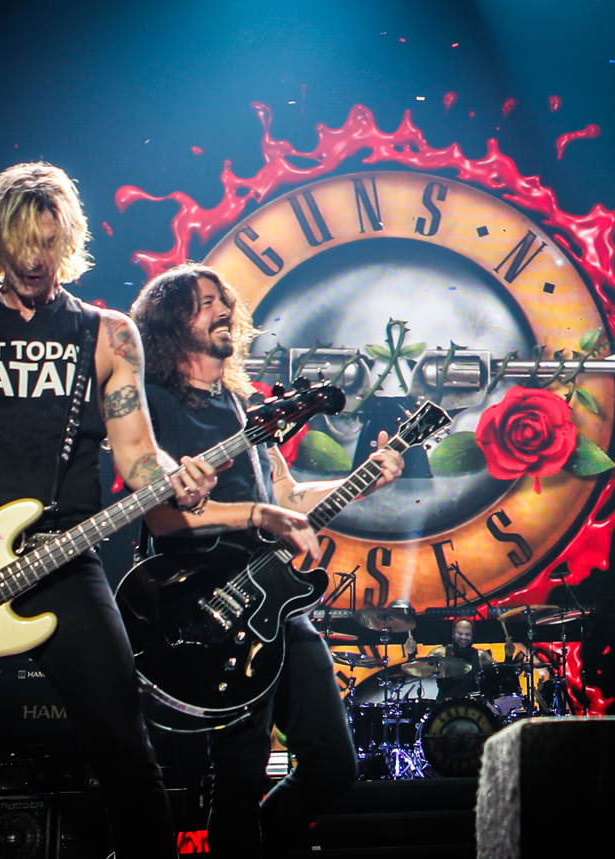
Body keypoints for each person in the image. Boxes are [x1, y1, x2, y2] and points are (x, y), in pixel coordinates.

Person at [0, 163, 215, 859]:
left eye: (47, 241)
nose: (34, 259)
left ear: (69, 241)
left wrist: (176, 481)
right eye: (20, 242)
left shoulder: (107, 333)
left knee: (124, 745)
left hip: (62, 558)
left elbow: (137, 455)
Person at [131, 263, 404, 858]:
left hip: (277, 605)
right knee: (238, 777)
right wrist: (257, 516)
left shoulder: (242, 405)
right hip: (208, 605)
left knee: (333, 766)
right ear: (172, 321)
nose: (223, 309)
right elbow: (162, 518)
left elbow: (285, 499)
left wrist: (365, 480)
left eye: (224, 300)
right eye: (205, 302)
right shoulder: (152, 403)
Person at [428, 618, 498, 700]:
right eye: (460, 633)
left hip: (472, 705)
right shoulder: (440, 653)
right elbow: (419, 668)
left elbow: (500, 673)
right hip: (446, 705)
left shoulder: (481, 656)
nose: (463, 637)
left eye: (467, 634)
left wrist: (508, 656)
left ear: (472, 635)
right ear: (453, 633)